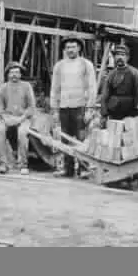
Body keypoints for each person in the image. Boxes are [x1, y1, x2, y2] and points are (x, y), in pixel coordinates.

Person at [50, 34, 97, 178]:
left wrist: (89, 108)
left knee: (81, 139)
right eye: (68, 47)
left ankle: (84, 169)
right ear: (64, 49)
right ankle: (68, 169)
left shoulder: (86, 64)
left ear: (79, 48)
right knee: (65, 139)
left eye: (73, 47)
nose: (70, 50)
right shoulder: (59, 65)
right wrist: (55, 109)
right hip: (64, 107)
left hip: (80, 107)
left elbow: (92, 87)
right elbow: (55, 88)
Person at [0, 62, 36, 175]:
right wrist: (5, 118)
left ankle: (23, 164)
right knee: (0, 131)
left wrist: (21, 118)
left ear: (20, 74)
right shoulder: (3, 87)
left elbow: (31, 107)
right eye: (12, 72)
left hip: (23, 117)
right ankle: (3, 163)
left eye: (17, 72)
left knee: (23, 133)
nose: (14, 75)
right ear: (8, 74)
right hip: (7, 117)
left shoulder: (26, 86)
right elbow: (0, 107)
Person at [99, 44, 138, 123]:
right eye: (117, 55)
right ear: (114, 57)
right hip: (114, 110)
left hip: (129, 111)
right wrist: (104, 114)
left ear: (127, 57)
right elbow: (105, 95)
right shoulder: (111, 74)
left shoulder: (134, 73)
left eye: (122, 55)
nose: (120, 57)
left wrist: (137, 110)